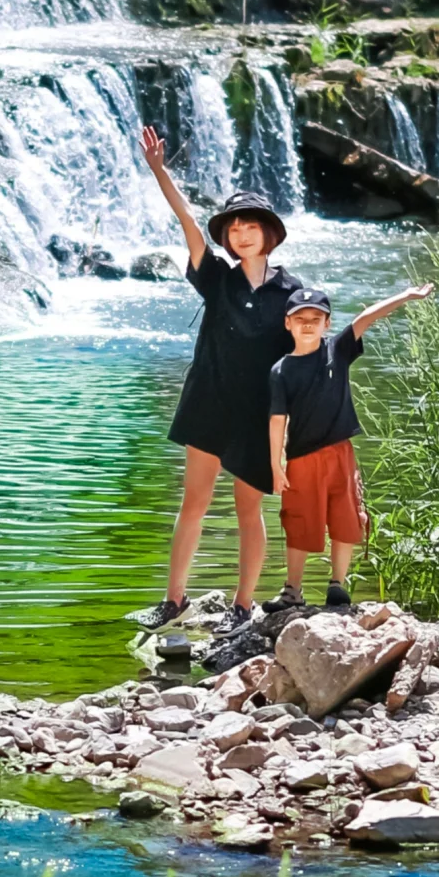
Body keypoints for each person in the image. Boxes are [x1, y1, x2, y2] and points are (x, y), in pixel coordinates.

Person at [132, 125, 302, 635]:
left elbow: (303, 359)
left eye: (250, 226)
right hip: (207, 402)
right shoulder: (217, 277)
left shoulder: (293, 293)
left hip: (255, 415)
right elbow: (187, 221)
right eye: (233, 229)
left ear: (268, 233)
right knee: (194, 504)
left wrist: (290, 428)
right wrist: (160, 170)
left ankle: (244, 604)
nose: (241, 234)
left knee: (250, 511)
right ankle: (173, 600)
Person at [266, 282, 434, 610]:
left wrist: (406, 295)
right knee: (298, 521)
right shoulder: (281, 370)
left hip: (340, 454)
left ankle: (337, 585)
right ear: (288, 323)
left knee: (346, 518)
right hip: (301, 459)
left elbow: (367, 317)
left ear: (327, 324)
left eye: (317, 318)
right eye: (301, 318)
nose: (309, 324)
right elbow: (276, 419)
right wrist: (275, 463)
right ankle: (292, 590)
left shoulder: (337, 350)